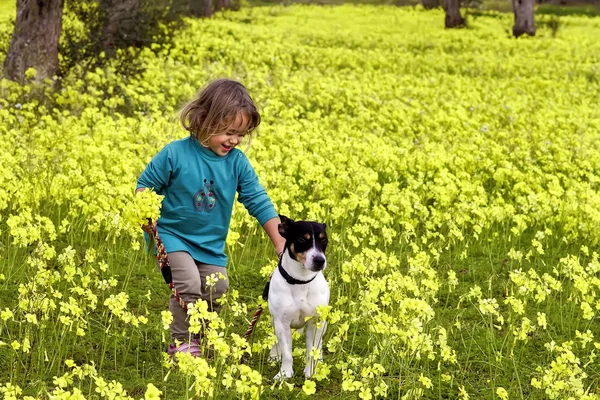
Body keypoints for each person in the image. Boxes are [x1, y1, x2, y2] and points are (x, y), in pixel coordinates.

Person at [136, 79, 285, 356]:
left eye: (241, 134)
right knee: (189, 285)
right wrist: (145, 214)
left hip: (210, 246)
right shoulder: (175, 154)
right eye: (229, 132)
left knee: (218, 289)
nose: (235, 140)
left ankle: (201, 338)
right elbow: (145, 184)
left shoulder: (237, 163)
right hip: (172, 236)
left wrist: (280, 243)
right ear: (204, 119)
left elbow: (258, 201)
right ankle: (182, 343)